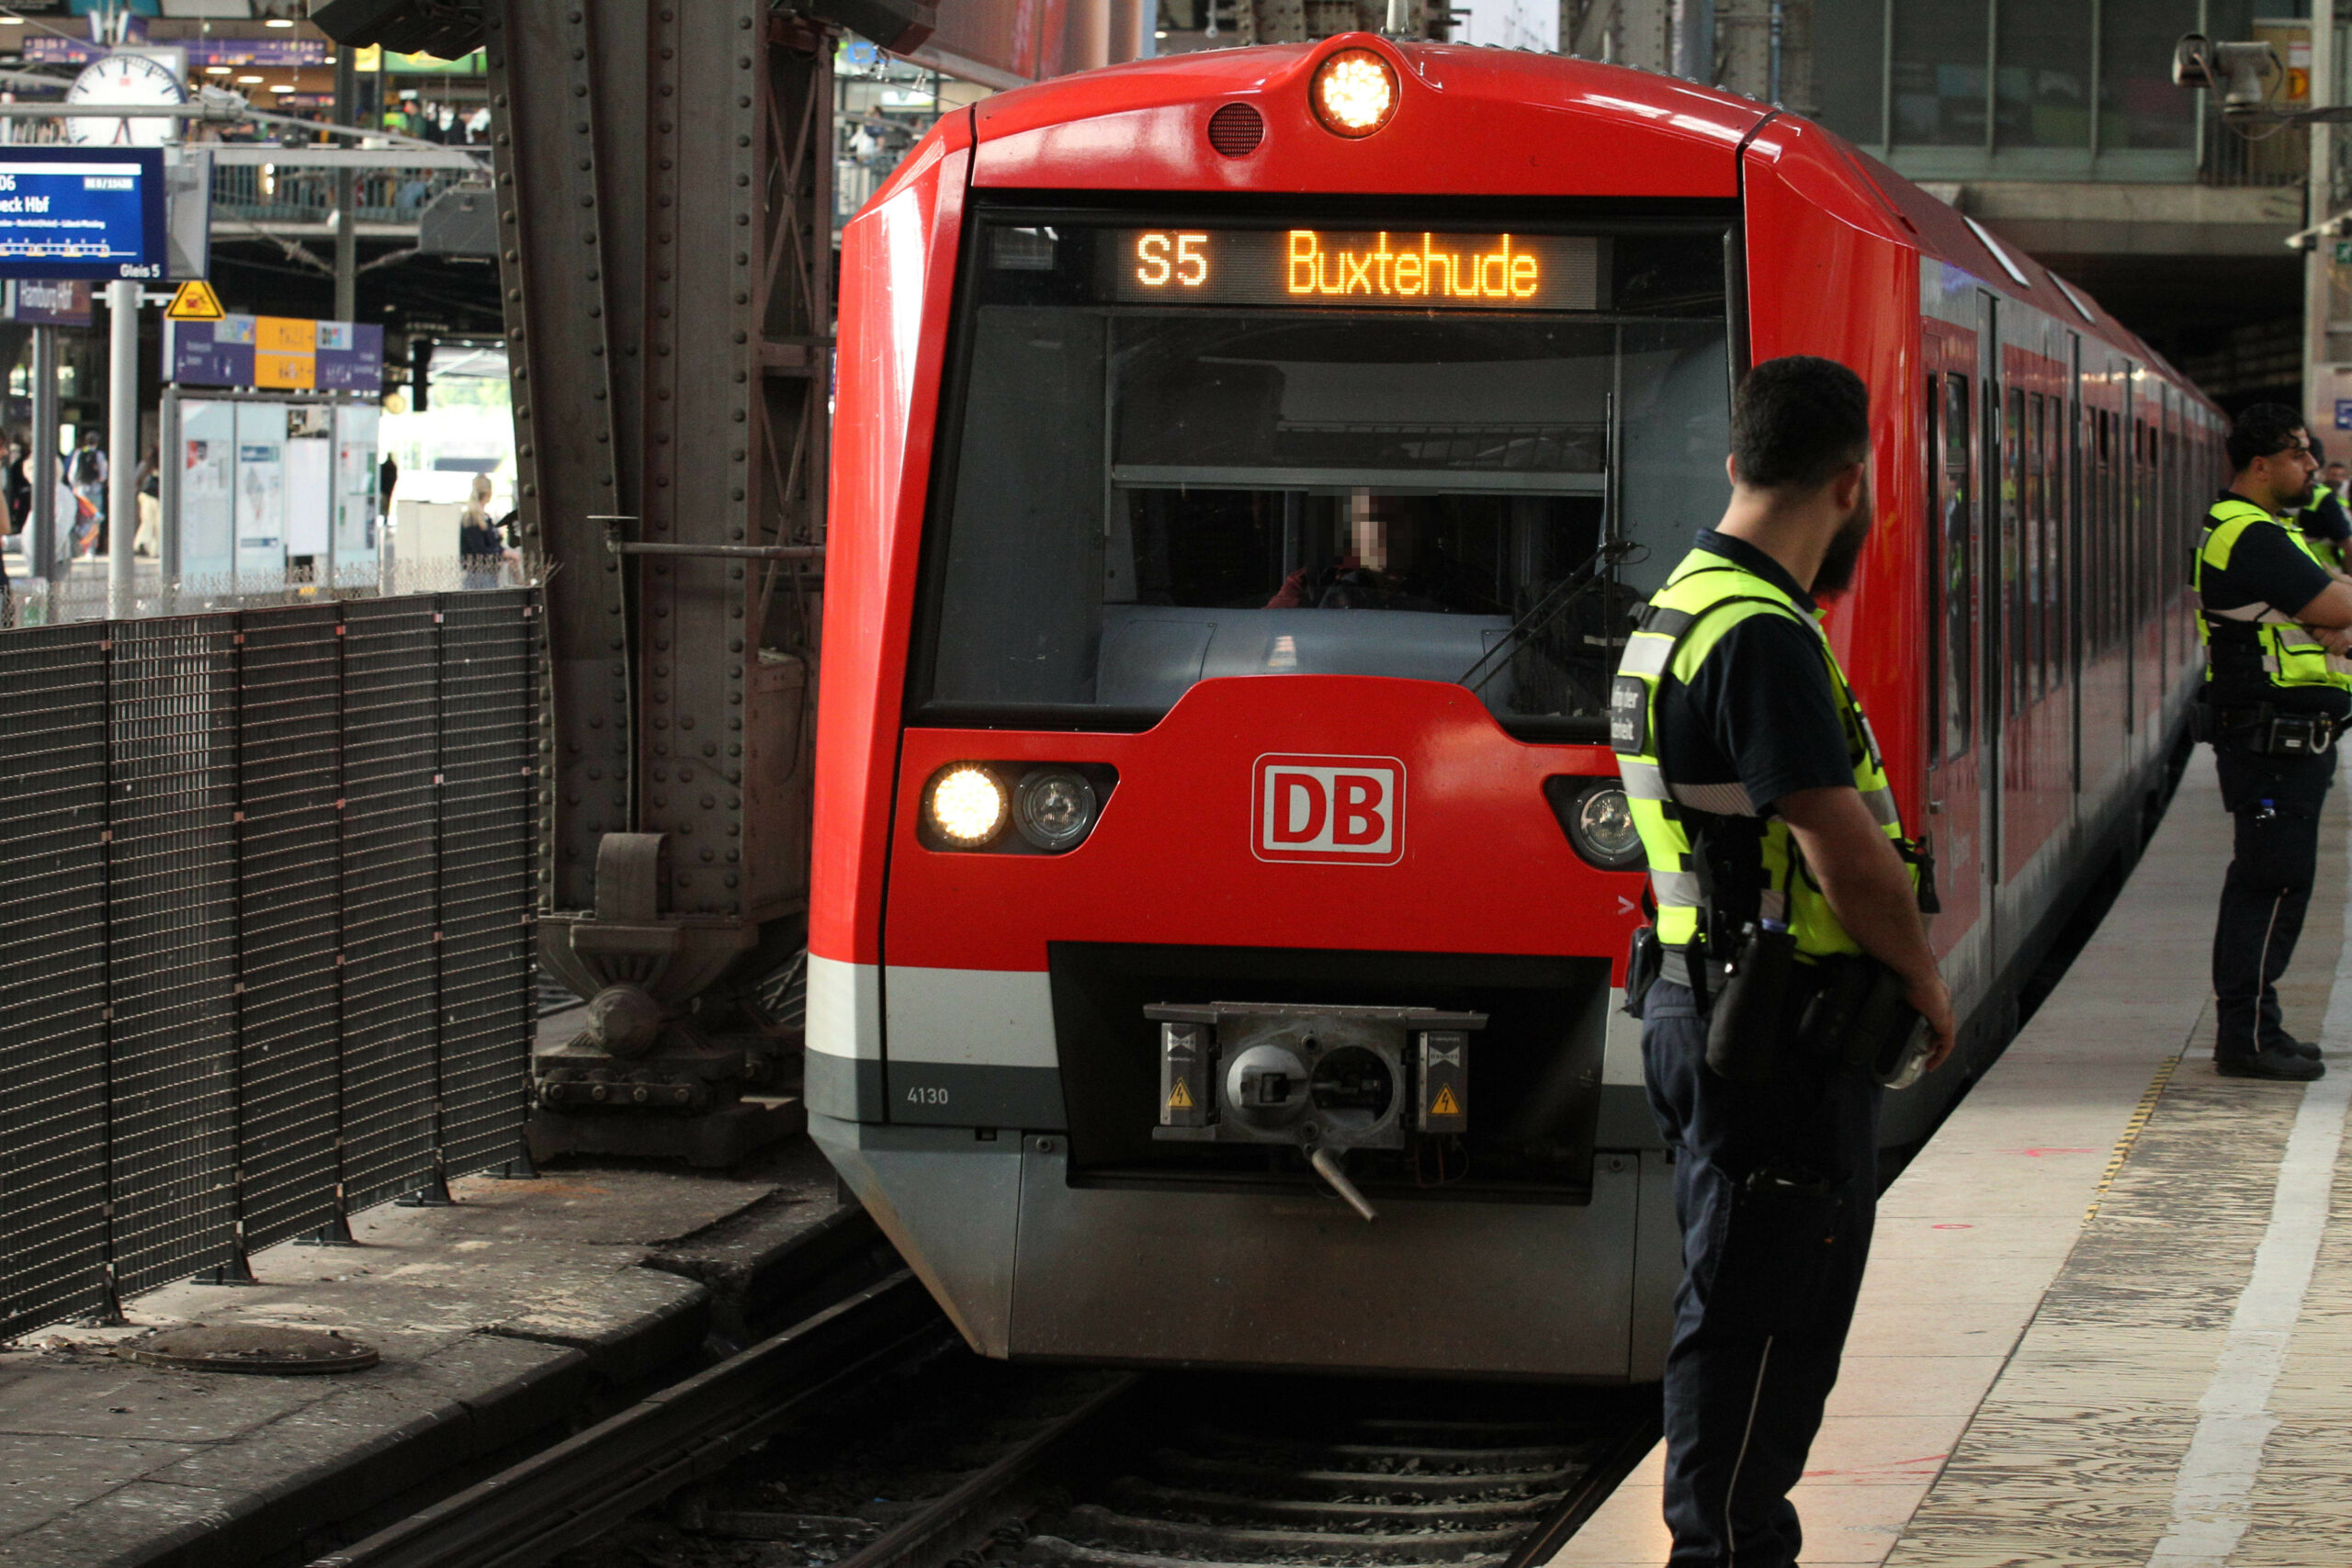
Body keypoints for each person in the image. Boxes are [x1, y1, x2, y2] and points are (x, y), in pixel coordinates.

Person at [1612, 355, 1953, 1568]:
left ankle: (1734, 1531)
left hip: (1697, 994)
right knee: (1767, 1309)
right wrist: (1921, 973)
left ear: (1734, 464)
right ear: (1850, 487)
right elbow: (1839, 841)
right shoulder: (1760, 634)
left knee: (1741, 1288)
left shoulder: (1682, 606)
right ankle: (1729, 1546)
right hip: (1776, 1032)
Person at [2195, 404, 2352, 1080]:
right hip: (2270, 747)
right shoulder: (2247, 533)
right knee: (2270, 881)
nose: (2312, 466)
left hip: (2286, 747)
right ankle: (2248, 1038)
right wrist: (2338, 617)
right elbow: (2335, 604)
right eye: (2299, 454)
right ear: (2261, 465)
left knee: (2277, 881)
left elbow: (2334, 596)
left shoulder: (2267, 529)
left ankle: (2262, 1026)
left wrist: (2337, 612)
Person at [2298, 436, 2352, 571]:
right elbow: (2347, 544)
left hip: (2322, 572)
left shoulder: (2324, 496)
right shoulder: (2322, 496)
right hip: (2320, 571)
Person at [68, 430, 105, 558]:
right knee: (95, 519)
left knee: (82, 519)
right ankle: (91, 549)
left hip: (81, 491)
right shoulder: (99, 455)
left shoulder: (79, 453)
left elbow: (72, 474)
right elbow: (103, 475)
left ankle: (80, 546)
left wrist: (75, 487)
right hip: (95, 490)